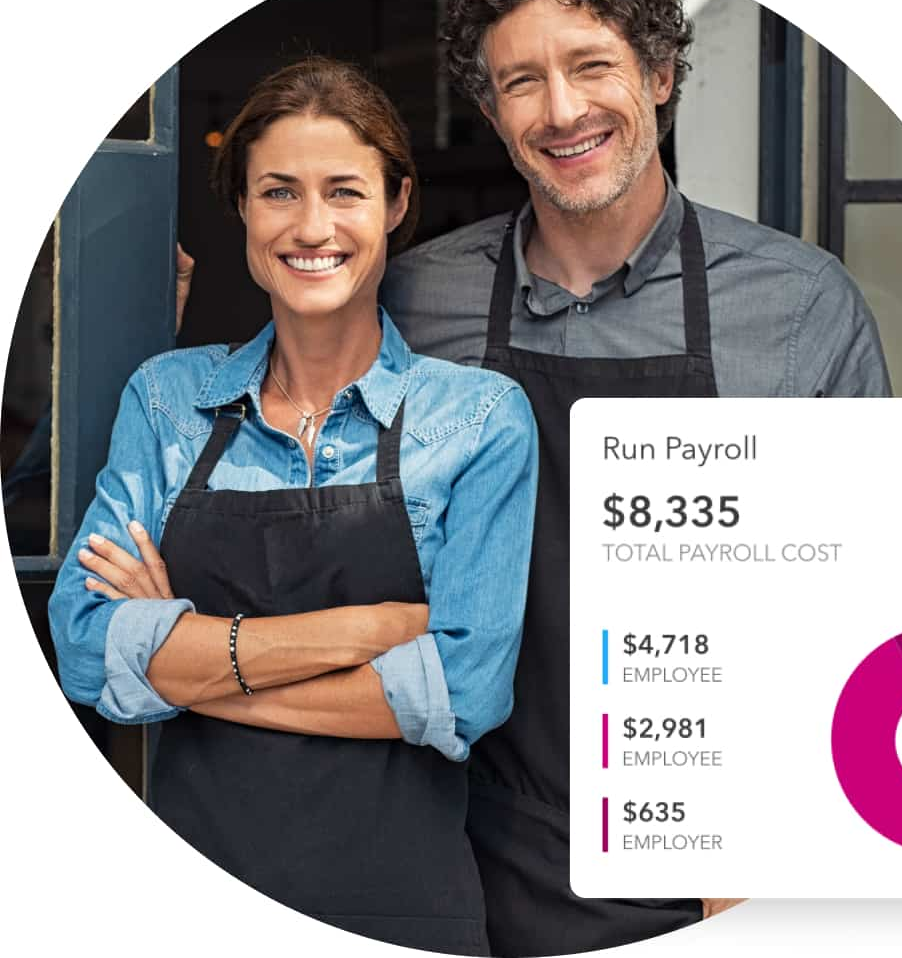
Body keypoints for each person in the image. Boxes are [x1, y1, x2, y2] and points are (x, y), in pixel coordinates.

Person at [378, 0, 892, 956]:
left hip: (710, 865)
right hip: (453, 847)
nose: (562, 110)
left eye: (592, 65)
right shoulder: (411, 297)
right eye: (522, 80)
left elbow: (859, 611)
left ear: (659, 74)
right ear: (493, 113)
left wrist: (759, 861)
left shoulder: (794, 305)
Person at [48, 56, 538, 957]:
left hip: (402, 912)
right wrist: (371, 630)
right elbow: (84, 648)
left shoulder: (474, 418)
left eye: (345, 191)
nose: (313, 226)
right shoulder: (167, 401)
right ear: (241, 207)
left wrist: (185, 668)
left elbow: (464, 694)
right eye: (278, 191)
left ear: (396, 205)